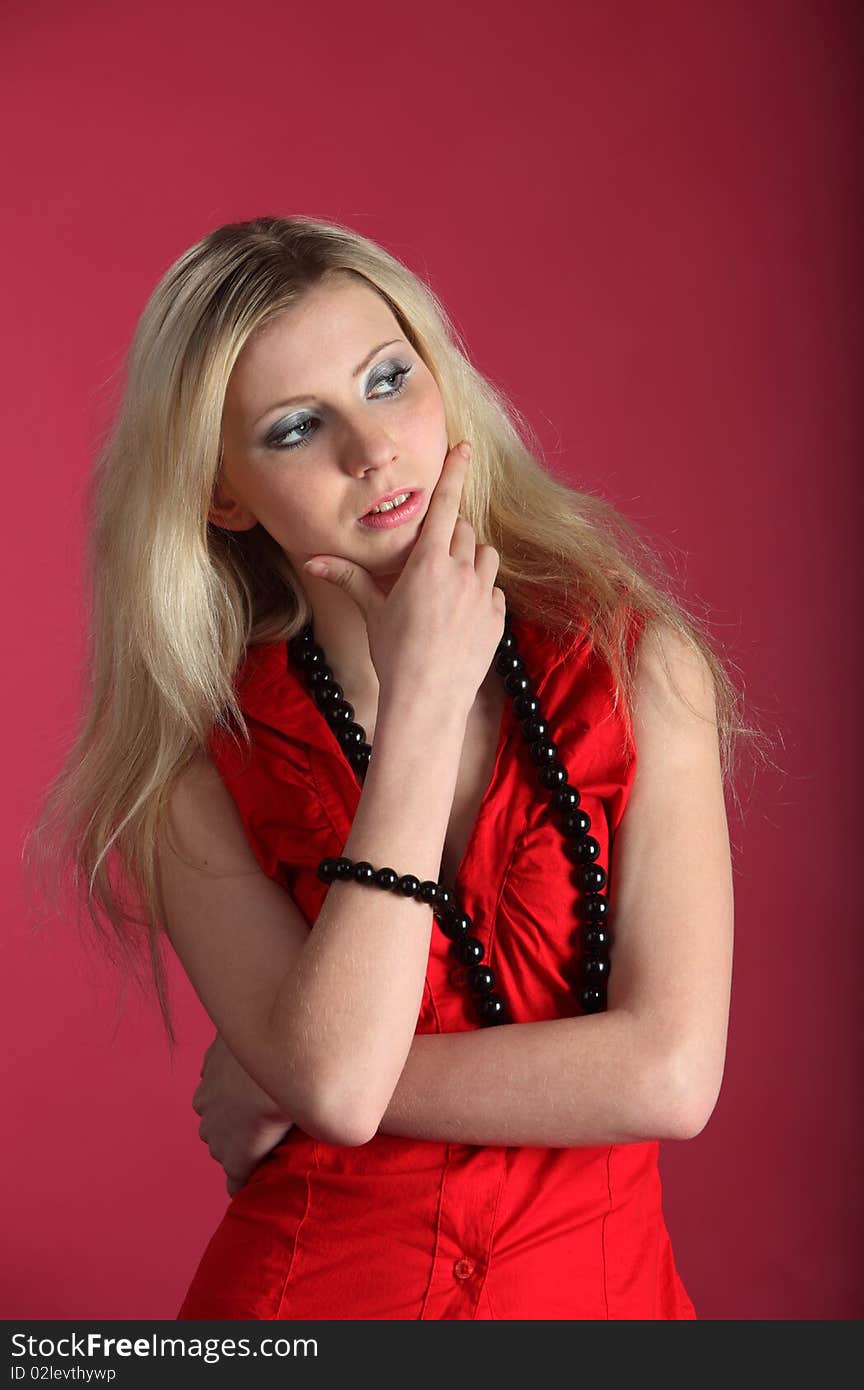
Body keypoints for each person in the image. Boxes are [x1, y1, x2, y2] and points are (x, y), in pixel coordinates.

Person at [21, 214, 766, 1321]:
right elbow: (334, 1085)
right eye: (292, 429)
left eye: (386, 380)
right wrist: (418, 707)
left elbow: (668, 1074)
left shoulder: (641, 670)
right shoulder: (183, 779)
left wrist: (296, 1067)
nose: (370, 451)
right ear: (223, 495)